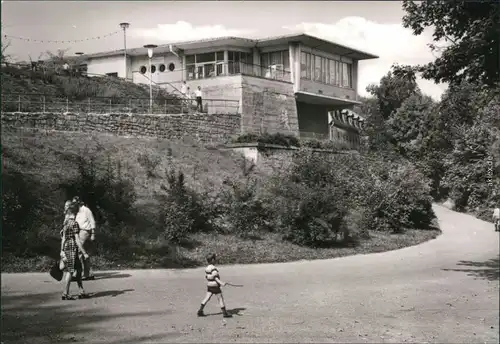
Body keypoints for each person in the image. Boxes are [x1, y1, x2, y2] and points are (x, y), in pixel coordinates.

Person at [60, 200, 89, 300]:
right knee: (70, 270)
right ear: (74, 213)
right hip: (72, 247)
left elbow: (63, 238)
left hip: (67, 246)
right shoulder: (75, 224)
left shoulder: (66, 223)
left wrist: (62, 250)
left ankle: (81, 291)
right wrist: (84, 252)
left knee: (79, 268)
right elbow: (77, 239)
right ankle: (65, 293)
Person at [197, 253, 232, 318]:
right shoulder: (214, 268)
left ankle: (200, 310)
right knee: (220, 299)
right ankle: (225, 313)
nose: (216, 260)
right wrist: (222, 283)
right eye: (215, 259)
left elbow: (207, 277)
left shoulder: (207, 268)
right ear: (212, 260)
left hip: (209, 286)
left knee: (206, 298)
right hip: (215, 286)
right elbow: (215, 278)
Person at [73, 196, 96, 280]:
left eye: (75, 203)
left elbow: (92, 221)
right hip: (79, 232)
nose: (74, 204)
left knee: (79, 251)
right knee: (83, 253)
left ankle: (78, 273)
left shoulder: (86, 210)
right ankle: (89, 274)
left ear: (79, 202)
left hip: (85, 231)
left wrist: (93, 234)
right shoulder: (77, 212)